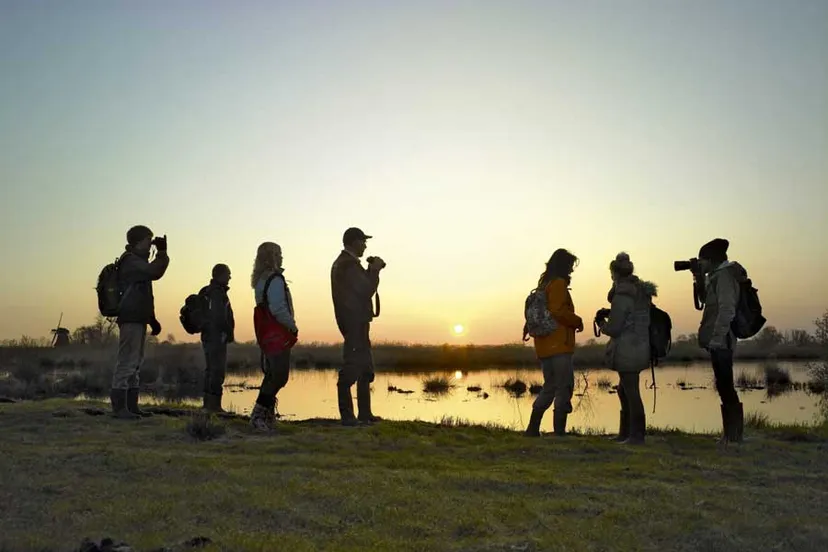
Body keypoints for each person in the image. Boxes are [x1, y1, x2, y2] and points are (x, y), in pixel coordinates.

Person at [598, 252, 657, 445]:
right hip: (640, 347)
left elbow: (615, 329)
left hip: (627, 349)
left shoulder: (622, 295)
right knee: (625, 390)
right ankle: (626, 434)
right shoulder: (640, 292)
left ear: (614, 274)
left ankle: (636, 436)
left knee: (631, 393)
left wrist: (601, 323)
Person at [111, 225, 169, 419]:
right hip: (130, 319)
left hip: (138, 318)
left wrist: (152, 319)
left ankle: (131, 407)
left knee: (135, 364)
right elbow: (155, 272)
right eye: (148, 240)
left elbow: (143, 296)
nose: (150, 243)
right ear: (137, 241)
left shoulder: (138, 263)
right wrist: (162, 253)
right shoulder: (131, 262)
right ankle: (120, 409)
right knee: (127, 362)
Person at [525, 248, 583, 437]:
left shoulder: (544, 284)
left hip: (544, 346)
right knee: (564, 387)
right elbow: (558, 311)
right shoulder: (558, 284)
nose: (572, 270)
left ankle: (533, 429)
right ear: (564, 266)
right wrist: (577, 320)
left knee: (549, 386)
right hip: (558, 345)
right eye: (570, 266)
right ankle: (559, 433)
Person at [331, 227, 385, 426]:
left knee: (365, 368)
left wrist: (370, 270)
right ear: (353, 242)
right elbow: (365, 290)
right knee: (352, 368)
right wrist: (375, 271)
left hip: (356, 322)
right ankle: (348, 416)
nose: (365, 245)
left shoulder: (346, 264)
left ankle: (364, 414)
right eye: (363, 241)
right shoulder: (347, 265)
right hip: (354, 322)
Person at [697, 238, 747, 444]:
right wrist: (698, 279)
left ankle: (733, 437)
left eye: (701, 261)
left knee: (726, 386)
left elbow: (727, 309)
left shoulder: (724, 276)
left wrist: (717, 338)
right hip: (719, 341)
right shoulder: (716, 277)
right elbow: (703, 303)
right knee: (723, 385)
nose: (699, 264)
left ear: (711, 259)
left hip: (723, 341)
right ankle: (731, 435)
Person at [250, 242, 297, 430]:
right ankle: (259, 415)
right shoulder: (275, 279)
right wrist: (292, 326)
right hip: (277, 332)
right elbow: (278, 308)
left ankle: (266, 415)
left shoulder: (261, 279)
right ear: (272, 256)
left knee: (273, 374)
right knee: (279, 375)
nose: (282, 257)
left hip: (266, 333)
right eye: (279, 253)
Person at [200, 263, 235, 413]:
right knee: (217, 371)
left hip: (209, 336)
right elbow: (219, 317)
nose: (230, 277)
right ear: (220, 275)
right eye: (228, 274)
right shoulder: (216, 292)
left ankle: (208, 405)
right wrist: (228, 332)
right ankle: (214, 406)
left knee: (211, 370)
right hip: (216, 337)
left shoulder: (209, 291)